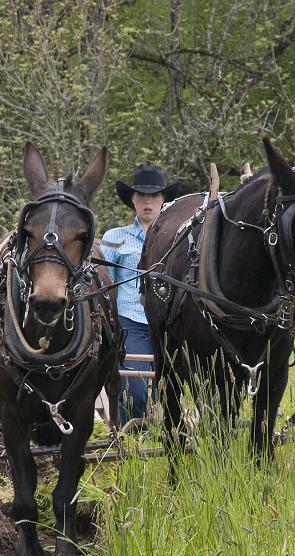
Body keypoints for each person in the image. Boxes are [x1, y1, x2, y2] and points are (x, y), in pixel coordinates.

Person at [101, 163, 179, 427]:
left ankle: (163, 434)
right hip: (130, 322)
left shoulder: (178, 237)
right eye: (142, 196)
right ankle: (132, 437)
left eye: (154, 195)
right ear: (132, 200)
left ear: (163, 199)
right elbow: (104, 286)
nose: (148, 201)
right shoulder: (115, 238)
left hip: (169, 323)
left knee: (169, 388)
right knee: (135, 391)